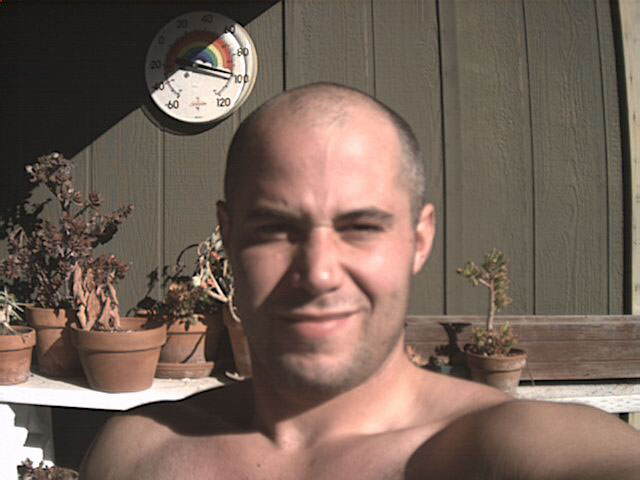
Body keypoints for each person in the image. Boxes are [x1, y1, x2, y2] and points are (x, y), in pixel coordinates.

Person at [80, 82, 640, 479]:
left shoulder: (507, 447)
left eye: (362, 227)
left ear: (420, 239)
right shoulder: (136, 455)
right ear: (227, 236)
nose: (319, 273)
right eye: (274, 228)